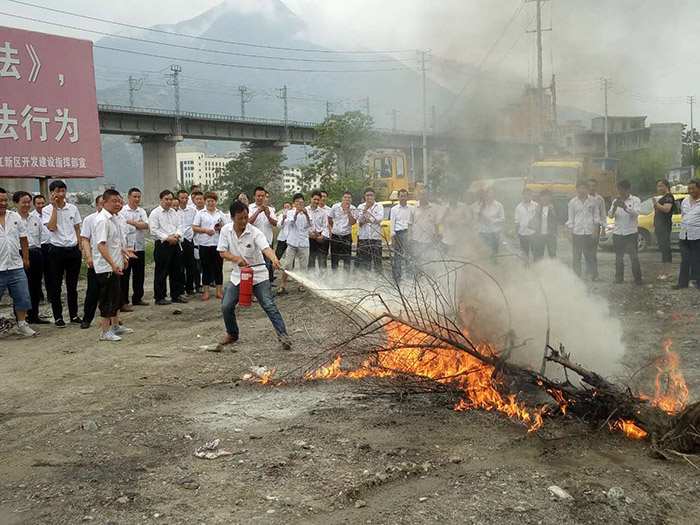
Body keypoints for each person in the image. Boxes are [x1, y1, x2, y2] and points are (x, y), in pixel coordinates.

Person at [218, 200, 290, 349]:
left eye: (246, 217)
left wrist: (274, 259)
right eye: (240, 218)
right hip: (238, 275)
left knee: (269, 305)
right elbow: (222, 252)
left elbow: (266, 248)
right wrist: (236, 258)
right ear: (232, 217)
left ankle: (283, 336)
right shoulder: (226, 230)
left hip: (258, 275)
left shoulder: (255, 232)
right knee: (226, 306)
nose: (244, 221)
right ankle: (232, 333)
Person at [92, 189, 134, 341]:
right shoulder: (103, 220)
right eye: (114, 201)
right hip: (106, 266)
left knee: (116, 296)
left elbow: (114, 243)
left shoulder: (114, 218)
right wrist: (112, 263)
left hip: (115, 263)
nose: (117, 204)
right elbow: (101, 245)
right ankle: (105, 331)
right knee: (107, 298)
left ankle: (115, 325)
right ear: (104, 202)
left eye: (119, 201)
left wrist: (124, 252)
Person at [42, 180, 82, 327]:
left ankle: (74, 315)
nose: (60, 194)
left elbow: (77, 227)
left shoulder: (72, 208)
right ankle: (58, 317)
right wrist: (54, 208)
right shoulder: (47, 210)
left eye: (63, 190)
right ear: (52, 193)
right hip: (56, 251)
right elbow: (51, 227)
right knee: (56, 285)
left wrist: (79, 245)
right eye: (57, 191)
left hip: (72, 250)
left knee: (72, 286)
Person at [0, 187, 36, 336]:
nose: (3, 203)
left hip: (15, 265)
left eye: (5, 200)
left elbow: (23, 238)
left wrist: (25, 258)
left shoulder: (14, 217)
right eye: (0, 200)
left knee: (22, 296)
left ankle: (22, 324)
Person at [12, 191, 48, 324]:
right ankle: (20, 318)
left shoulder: (35, 219)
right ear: (15, 203)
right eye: (23, 202)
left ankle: (34, 315)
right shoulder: (13, 219)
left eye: (28, 202)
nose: (26, 205)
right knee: (20, 287)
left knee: (35, 286)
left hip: (36, 253)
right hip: (19, 254)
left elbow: (38, 237)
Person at [149, 190, 188, 305]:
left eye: (171, 199)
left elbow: (181, 225)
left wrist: (178, 235)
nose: (169, 201)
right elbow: (154, 230)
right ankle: (159, 297)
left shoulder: (174, 212)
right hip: (163, 244)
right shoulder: (155, 213)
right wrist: (167, 237)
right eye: (166, 199)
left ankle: (176, 295)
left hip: (175, 243)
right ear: (161, 199)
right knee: (161, 271)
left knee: (177, 270)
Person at [192, 192, 228, 300]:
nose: (211, 203)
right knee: (205, 268)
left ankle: (219, 291)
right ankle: (206, 292)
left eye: (212, 201)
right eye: (208, 201)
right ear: (205, 201)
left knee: (218, 268)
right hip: (204, 244)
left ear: (215, 202)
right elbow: (195, 227)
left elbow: (227, 228)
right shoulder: (200, 213)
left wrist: (220, 228)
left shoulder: (220, 213)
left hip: (217, 244)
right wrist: (205, 230)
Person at [118, 188, 150, 310]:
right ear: (129, 197)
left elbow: (146, 225)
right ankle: (124, 300)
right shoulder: (122, 211)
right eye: (134, 197)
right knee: (125, 275)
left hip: (139, 246)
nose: (136, 199)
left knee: (139, 274)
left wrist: (132, 222)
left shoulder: (141, 211)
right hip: (127, 247)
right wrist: (138, 224)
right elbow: (123, 226)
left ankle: (137, 297)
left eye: (138, 197)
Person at [608, 180, 642, 284]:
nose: (621, 192)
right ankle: (619, 278)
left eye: (623, 190)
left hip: (630, 233)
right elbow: (610, 216)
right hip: (618, 232)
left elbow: (636, 213)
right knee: (618, 257)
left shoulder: (635, 200)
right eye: (620, 190)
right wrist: (614, 207)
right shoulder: (615, 201)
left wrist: (625, 207)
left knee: (634, 257)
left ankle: (637, 278)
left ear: (628, 190)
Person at [79, 196, 105, 329]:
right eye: (101, 204)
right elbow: (85, 240)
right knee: (92, 291)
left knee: (109, 292)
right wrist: (89, 257)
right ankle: (87, 318)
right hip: (96, 260)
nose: (103, 206)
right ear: (96, 205)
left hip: (110, 261)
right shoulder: (90, 220)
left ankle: (110, 318)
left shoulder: (114, 218)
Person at [278, 193, 311, 294]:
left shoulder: (308, 211)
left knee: (303, 266)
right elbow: (291, 224)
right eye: (296, 202)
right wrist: (296, 213)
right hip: (292, 242)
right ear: (294, 203)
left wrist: (306, 214)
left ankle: (302, 285)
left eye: (300, 201)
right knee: (287, 265)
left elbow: (309, 224)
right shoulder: (290, 213)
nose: (299, 203)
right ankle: (282, 285)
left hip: (304, 243)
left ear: (303, 202)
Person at [566, 182, 599, 280]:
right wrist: (570, 233)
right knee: (576, 255)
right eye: (579, 188)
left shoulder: (593, 201)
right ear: (576, 189)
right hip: (577, 232)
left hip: (589, 232)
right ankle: (577, 275)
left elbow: (596, 216)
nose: (581, 190)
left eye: (584, 188)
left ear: (587, 190)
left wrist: (595, 229)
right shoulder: (572, 202)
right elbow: (571, 219)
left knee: (591, 255)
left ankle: (593, 275)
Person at [673, 179, 700, 290]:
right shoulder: (685, 201)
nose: (691, 191)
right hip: (684, 235)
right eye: (689, 189)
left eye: (693, 188)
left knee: (697, 260)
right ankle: (682, 283)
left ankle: (698, 283)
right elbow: (683, 216)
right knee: (684, 260)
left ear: (699, 188)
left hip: (697, 235)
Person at [248, 187, 277, 282]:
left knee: (266, 266)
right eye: (258, 196)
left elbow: (275, 224)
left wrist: (268, 215)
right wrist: (258, 211)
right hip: (253, 242)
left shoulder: (271, 209)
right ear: (254, 197)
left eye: (263, 196)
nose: (260, 198)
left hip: (267, 242)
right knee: (255, 266)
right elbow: (247, 223)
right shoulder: (249, 208)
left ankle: (266, 288)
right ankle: (255, 289)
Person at [176, 189, 199, 296]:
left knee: (191, 264)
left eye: (186, 198)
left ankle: (190, 287)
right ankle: (180, 288)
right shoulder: (174, 210)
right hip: (179, 240)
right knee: (179, 265)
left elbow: (196, 224)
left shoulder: (193, 211)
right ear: (178, 198)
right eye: (182, 198)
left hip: (189, 239)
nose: (184, 200)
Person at [472, 187, 505, 260]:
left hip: (494, 232)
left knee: (494, 253)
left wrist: (492, 220)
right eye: (488, 193)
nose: (489, 195)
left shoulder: (499, 205)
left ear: (494, 194)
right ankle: (486, 267)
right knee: (484, 252)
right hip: (483, 232)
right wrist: (479, 217)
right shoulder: (483, 205)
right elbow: (477, 219)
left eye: (491, 193)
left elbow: (502, 219)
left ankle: (494, 267)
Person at [356, 188, 384, 272]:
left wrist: (368, 220)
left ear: (374, 196)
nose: (369, 197)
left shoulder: (379, 206)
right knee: (365, 262)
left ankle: (379, 280)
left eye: (371, 195)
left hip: (376, 238)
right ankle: (366, 281)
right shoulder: (360, 207)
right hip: (364, 238)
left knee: (377, 261)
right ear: (364, 197)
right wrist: (365, 209)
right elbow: (359, 221)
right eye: (367, 195)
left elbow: (379, 218)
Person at [652, 179, 675, 280]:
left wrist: (655, 203)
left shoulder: (668, 197)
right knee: (662, 248)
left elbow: (666, 209)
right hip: (659, 226)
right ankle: (664, 271)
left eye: (662, 186)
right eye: (658, 186)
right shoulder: (662, 197)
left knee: (666, 249)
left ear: (666, 186)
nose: (660, 188)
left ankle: (668, 272)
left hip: (665, 226)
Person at [328, 191, 356, 272]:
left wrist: (348, 212)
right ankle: (334, 277)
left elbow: (353, 222)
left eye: (349, 198)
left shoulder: (353, 208)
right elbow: (330, 218)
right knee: (334, 258)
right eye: (345, 197)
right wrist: (332, 228)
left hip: (346, 236)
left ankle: (346, 278)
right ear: (342, 198)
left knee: (347, 259)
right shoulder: (335, 207)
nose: (346, 199)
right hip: (336, 236)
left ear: (351, 199)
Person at [411, 189, 442, 263]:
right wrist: (410, 236)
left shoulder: (434, 209)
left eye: (425, 195)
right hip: (416, 240)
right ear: (419, 196)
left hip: (429, 241)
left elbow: (436, 225)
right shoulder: (414, 208)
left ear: (428, 196)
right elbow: (409, 224)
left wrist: (435, 238)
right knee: (417, 262)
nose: (423, 196)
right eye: (421, 195)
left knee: (429, 261)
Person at [30, 194, 51, 302]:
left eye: (42, 203)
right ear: (34, 205)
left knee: (50, 272)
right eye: (38, 203)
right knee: (38, 273)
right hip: (39, 247)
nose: (41, 205)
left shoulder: (50, 214)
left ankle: (50, 295)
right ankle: (38, 294)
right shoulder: (32, 217)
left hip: (50, 245)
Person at [390, 189, 414, 280]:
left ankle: (410, 276)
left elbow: (413, 222)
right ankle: (397, 276)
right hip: (398, 234)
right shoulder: (394, 209)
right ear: (398, 197)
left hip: (409, 233)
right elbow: (392, 223)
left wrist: (411, 235)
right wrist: (393, 236)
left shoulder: (412, 208)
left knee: (409, 255)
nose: (403, 198)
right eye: (401, 196)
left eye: (405, 196)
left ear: (407, 197)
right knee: (397, 256)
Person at [531, 189, 558, 260]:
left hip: (551, 235)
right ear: (540, 197)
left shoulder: (554, 207)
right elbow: (533, 221)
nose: (545, 198)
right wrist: (537, 212)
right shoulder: (538, 207)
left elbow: (558, 219)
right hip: (539, 235)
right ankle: (539, 269)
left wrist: (553, 211)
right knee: (538, 255)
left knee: (552, 255)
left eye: (547, 196)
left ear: (550, 197)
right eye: (543, 196)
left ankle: (555, 269)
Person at [514, 188, 539, 262]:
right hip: (522, 233)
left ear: (531, 195)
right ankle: (525, 268)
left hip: (533, 233)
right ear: (522, 195)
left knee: (535, 252)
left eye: (529, 194)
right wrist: (516, 232)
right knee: (524, 253)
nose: (527, 196)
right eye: (525, 194)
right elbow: (517, 220)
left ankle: (536, 268)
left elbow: (539, 219)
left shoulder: (536, 205)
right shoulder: (518, 207)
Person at [307, 190, 330, 270]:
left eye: (318, 200)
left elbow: (325, 226)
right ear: (311, 199)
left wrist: (323, 236)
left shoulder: (323, 212)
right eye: (314, 199)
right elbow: (302, 226)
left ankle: (322, 279)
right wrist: (308, 233)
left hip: (320, 237)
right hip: (309, 238)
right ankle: (311, 279)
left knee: (322, 260)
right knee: (310, 259)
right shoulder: (305, 210)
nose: (316, 201)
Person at [191, 190, 205, 293]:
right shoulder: (191, 211)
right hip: (194, 240)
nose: (199, 201)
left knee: (205, 265)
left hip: (205, 241)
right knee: (195, 266)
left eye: (201, 199)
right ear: (194, 200)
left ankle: (206, 284)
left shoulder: (207, 211)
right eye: (197, 199)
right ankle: (197, 284)